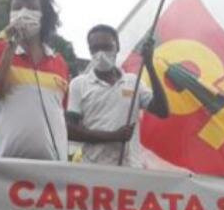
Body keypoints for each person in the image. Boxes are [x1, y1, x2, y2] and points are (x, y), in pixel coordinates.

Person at [0, 0, 70, 161]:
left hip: (52, 167)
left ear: (44, 15)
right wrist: (11, 46)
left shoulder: (60, 62)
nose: (24, 12)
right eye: (17, 7)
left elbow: (62, 114)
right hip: (5, 165)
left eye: (32, 7)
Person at [66, 26, 170, 167]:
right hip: (94, 170)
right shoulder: (78, 84)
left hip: (130, 169)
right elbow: (70, 131)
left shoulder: (133, 81)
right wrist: (113, 136)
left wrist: (150, 66)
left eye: (107, 47)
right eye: (95, 49)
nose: (101, 53)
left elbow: (162, 110)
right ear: (90, 51)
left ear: (117, 47)